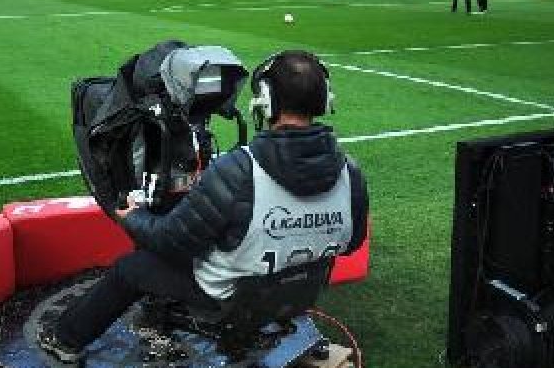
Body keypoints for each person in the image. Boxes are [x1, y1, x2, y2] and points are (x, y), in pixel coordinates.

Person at [39, 50, 370, 364]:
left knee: (132, 268)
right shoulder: (350, 171)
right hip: (299, 291)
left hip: (230, 295)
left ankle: (64, 340)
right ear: (325, 100)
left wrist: (134, 218)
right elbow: (352, 241)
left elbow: (170, 240)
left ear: (266, 101)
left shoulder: (239, 170)